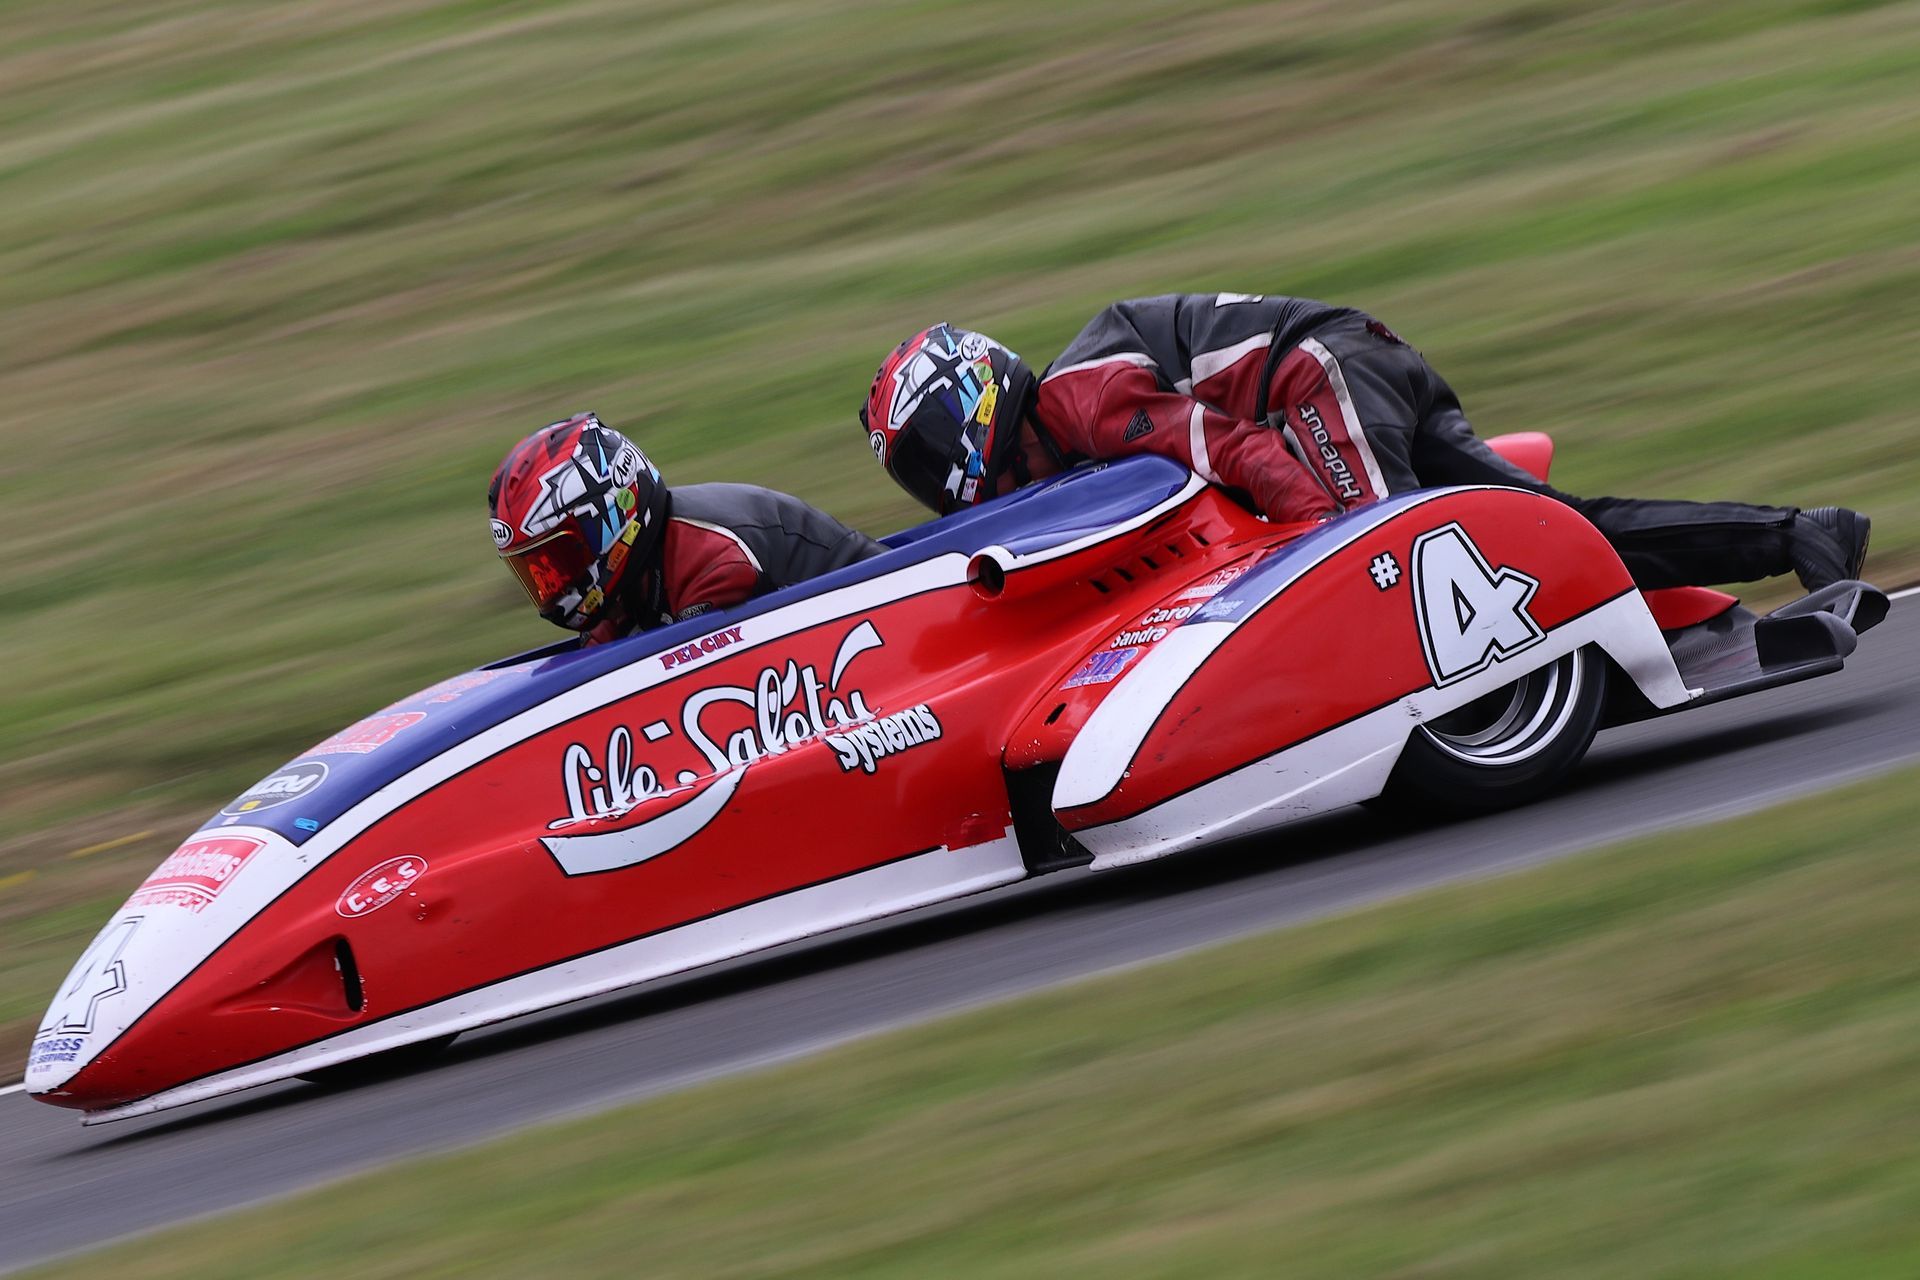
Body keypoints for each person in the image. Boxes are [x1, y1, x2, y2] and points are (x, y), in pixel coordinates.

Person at [860, 295, 1870, 592]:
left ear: (971, 403)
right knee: (1547, 534)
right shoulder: (1061, 430)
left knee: (1379, 558)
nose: (928, 477)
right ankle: (1799, 537)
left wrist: (1311, 549)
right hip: (1353, 372)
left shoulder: (1078, 404)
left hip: (1322, 376)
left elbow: (1240, 455)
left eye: (923, 451)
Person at [490, 413, 885, 643]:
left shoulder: (712, 562)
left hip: (885, 622)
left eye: (556, 563)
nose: (552, 587)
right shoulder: (627, 586)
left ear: (610, 518)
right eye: (537, 573)